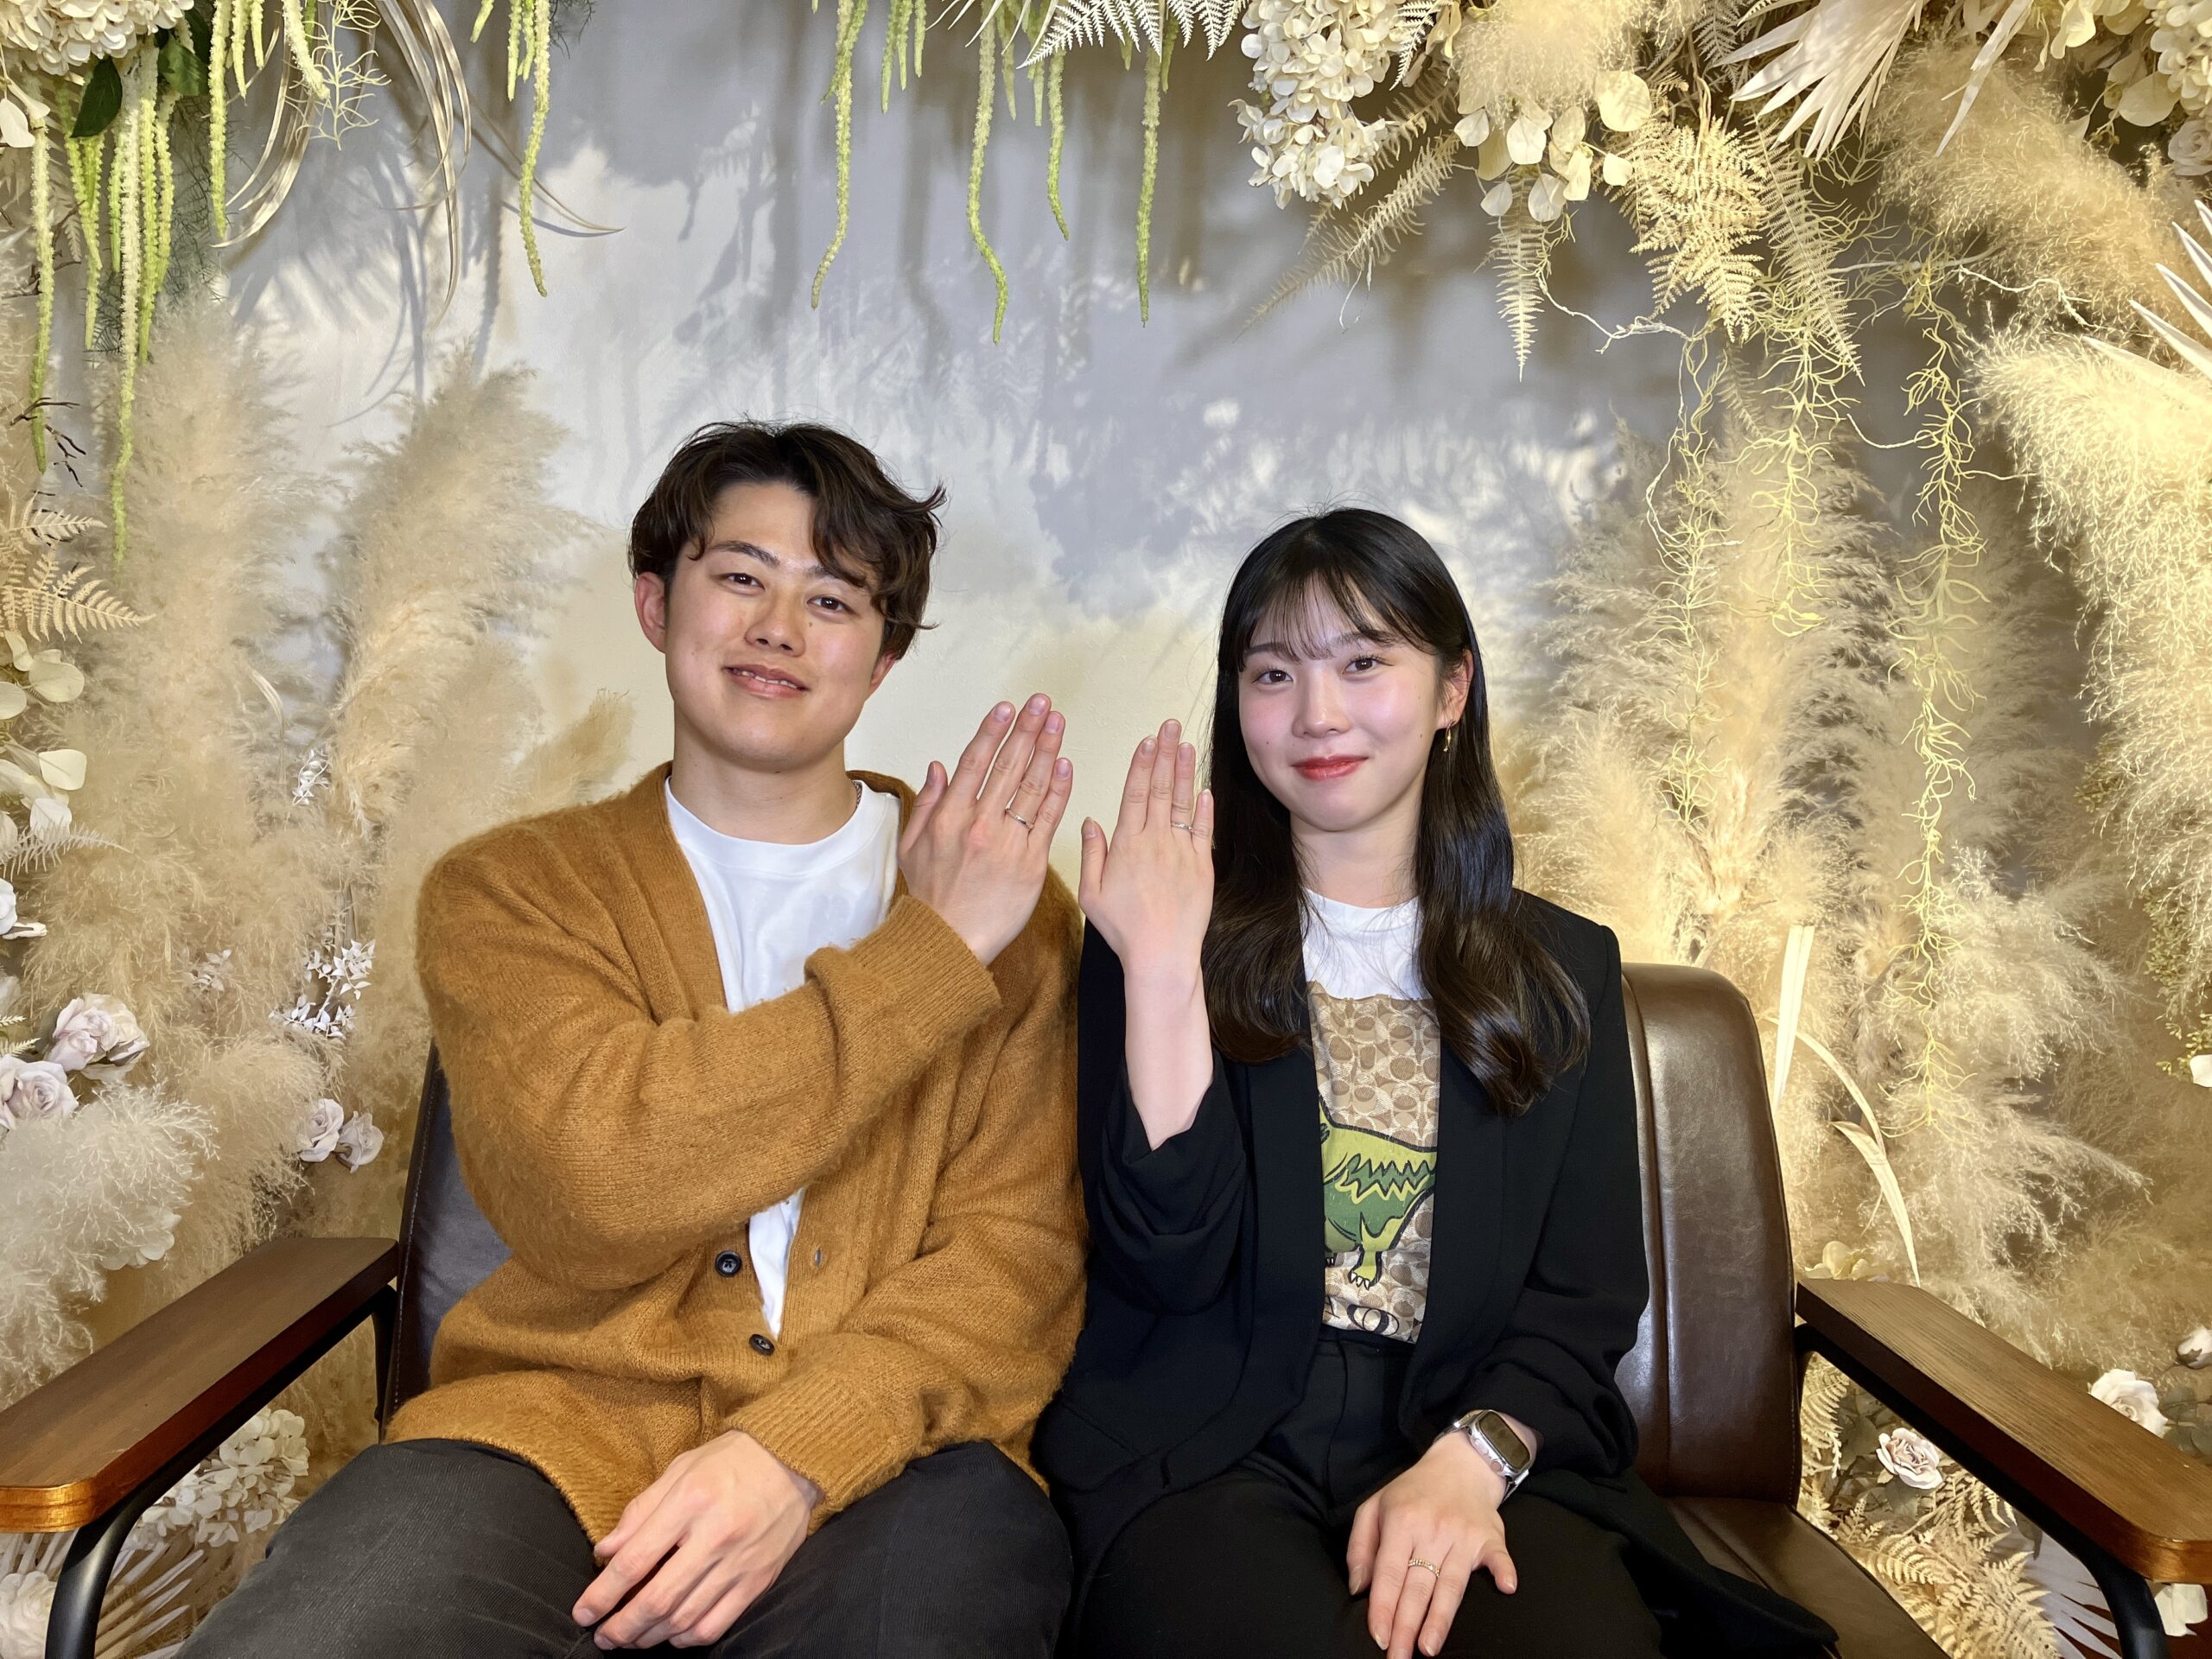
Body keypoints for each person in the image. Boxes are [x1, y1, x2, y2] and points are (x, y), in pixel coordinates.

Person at [181, 423, 1086, 1657]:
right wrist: (929, 956)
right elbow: (591, 1186)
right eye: (741, 576)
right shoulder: (511, 892)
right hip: (544, 1440)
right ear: (658, 605)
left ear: (883, 659)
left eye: (833, 598)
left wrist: (795, 1451)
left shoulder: (1016, 910)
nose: (779, 627)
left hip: (894, 1462)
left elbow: (1016, 1262)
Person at [1034, 508, 1834, 1659]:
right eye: (1274, 672)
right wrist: (1162, 971)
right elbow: (1165, 1263)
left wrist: (1475, 1462)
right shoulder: (1155, 929)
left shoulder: (1561, 970)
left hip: (1472, 1430)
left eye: (1364, 663)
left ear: (1452, 688)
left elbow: (1582, 1304)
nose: (1318, 714)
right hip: (1213, 1445)